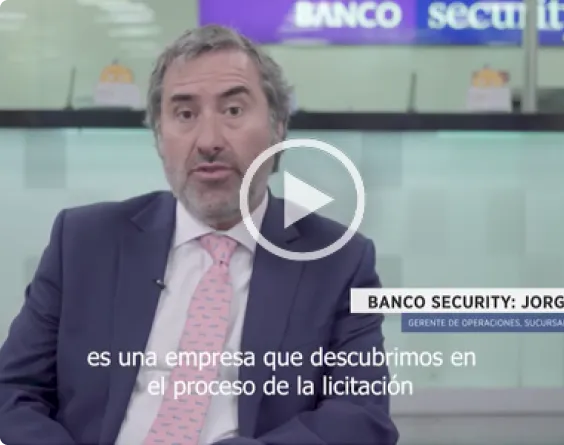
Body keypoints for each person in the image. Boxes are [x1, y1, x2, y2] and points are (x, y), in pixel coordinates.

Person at [0, 25, 399, 445]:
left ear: (278, 128)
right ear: (159, 137)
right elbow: (11, 393)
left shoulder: (337, 261)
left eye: (233, 110)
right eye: (185, 115)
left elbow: (360, 417)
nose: (209, 141)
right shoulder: (83, 243)